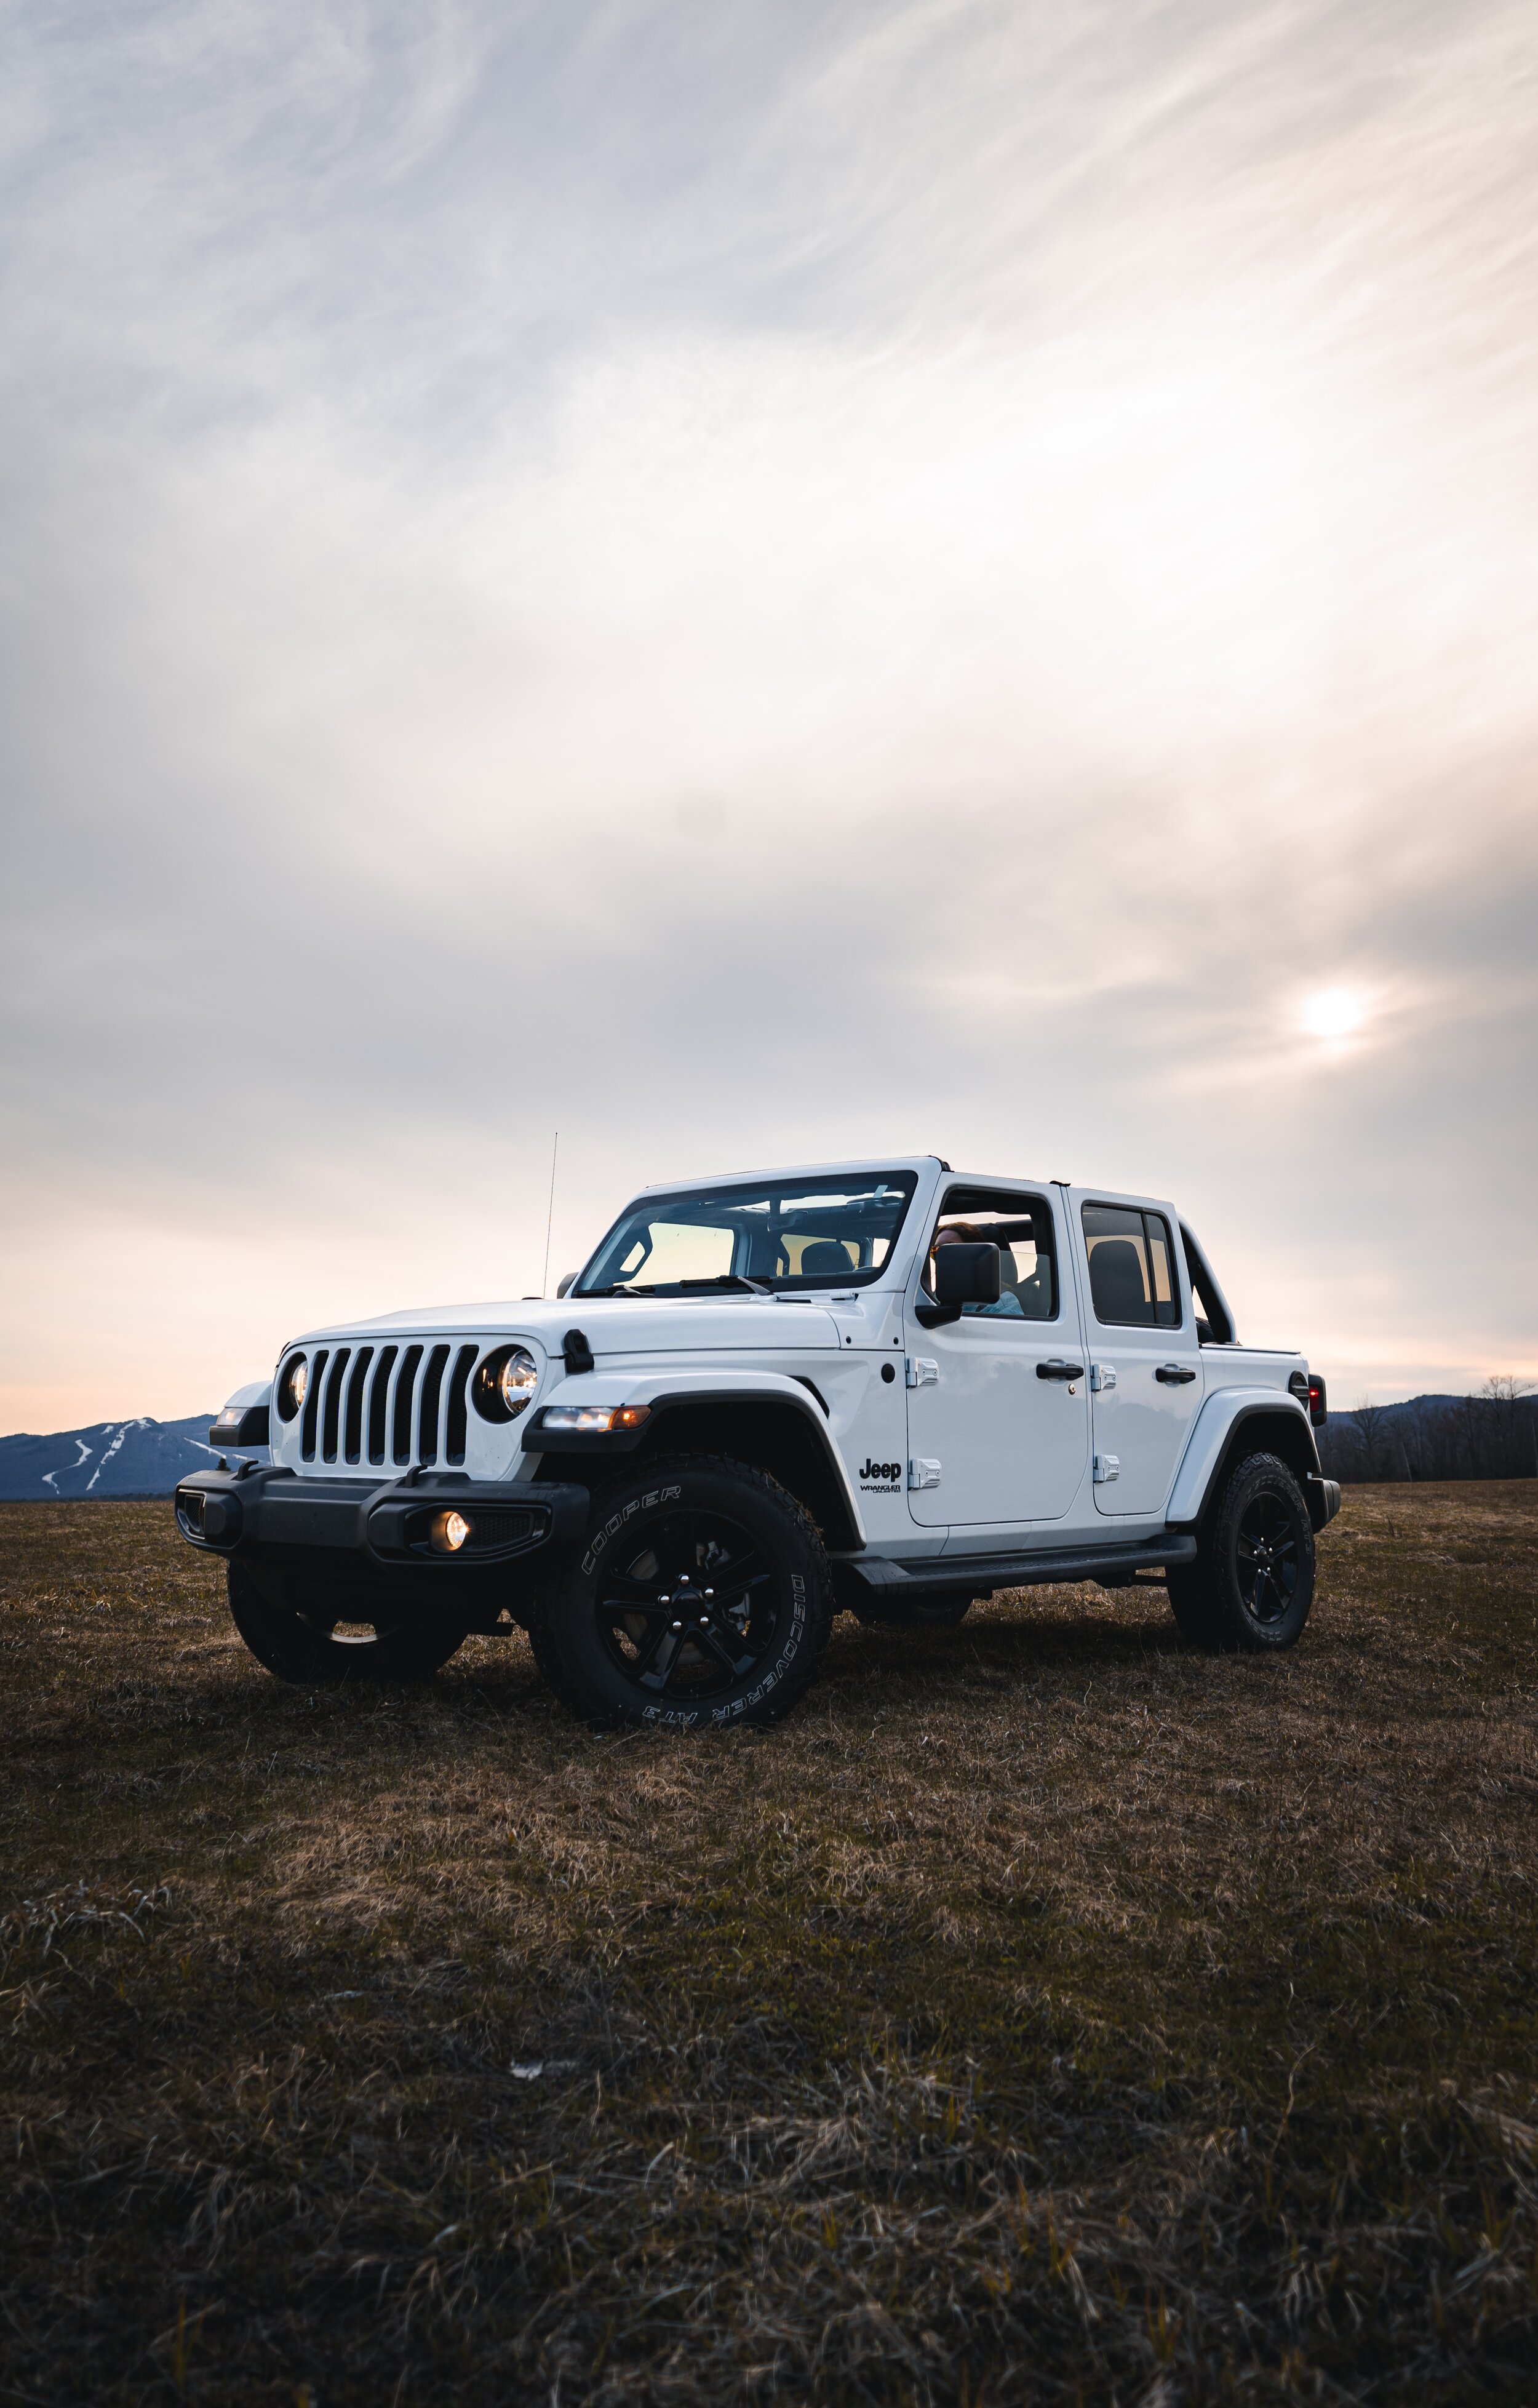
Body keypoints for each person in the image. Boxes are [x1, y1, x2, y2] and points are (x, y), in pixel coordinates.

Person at [929, 1222, 1025, 1316]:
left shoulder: (1003, 1302)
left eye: (950, 1248)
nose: (942, 1257)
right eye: (936, 1251)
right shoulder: (927, 1301)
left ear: (974, 1255)